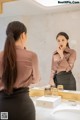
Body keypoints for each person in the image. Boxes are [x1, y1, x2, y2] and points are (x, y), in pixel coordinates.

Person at [0, 21, 40, 120]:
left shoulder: (0, 56)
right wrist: (26, 79)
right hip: (23, 106)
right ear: (23, 35)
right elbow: (36, 79)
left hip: (3, 107)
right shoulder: (31, 56)